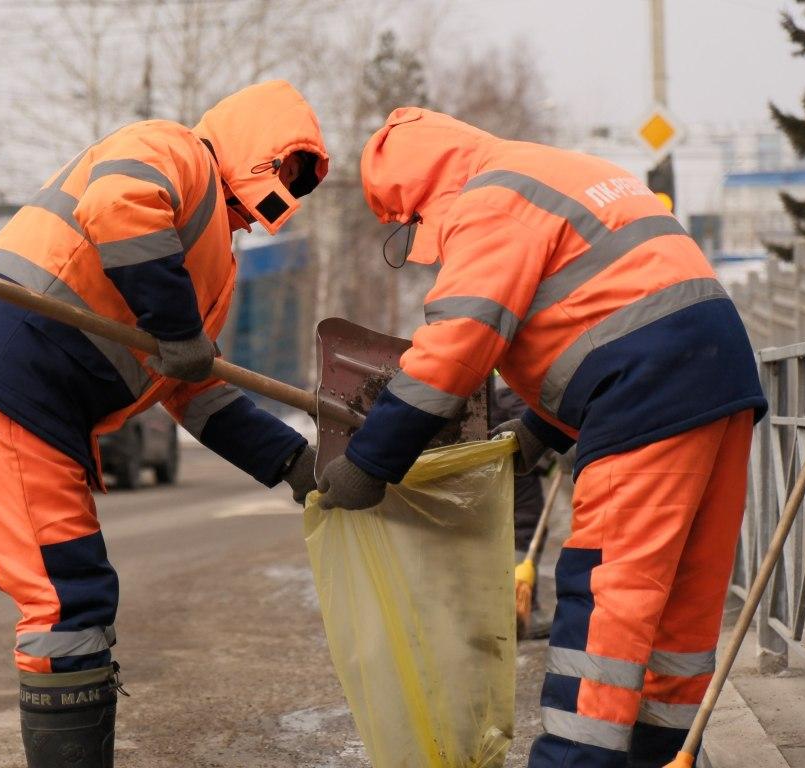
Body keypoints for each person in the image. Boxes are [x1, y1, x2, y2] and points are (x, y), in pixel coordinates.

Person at [317, 107, 766, 768]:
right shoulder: (558, 170)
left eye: (408, 227)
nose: (418, 240)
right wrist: (538, 429)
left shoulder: (487, 199)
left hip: (648, 392)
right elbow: (600, 308)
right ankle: (665, 753)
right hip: (718, 380)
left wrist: (369, 461)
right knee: (680, 608)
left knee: (608, 597)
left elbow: (456, 348)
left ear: (419, 198)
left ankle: (574, 760)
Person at [0, 80, 328, 768]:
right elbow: (118, 204)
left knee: (79, 596)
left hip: (39, 404)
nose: (281, 195)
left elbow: (193, 389)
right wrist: (176, 325)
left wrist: (295, 463)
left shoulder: (213, 259)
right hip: (10, 383)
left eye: (296, 183)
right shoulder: (174, 151)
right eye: (285, 170)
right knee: (62, 602)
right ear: (259, 149)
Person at [490, 373, 555, 640]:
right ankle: (519, 610)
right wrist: (547, 444)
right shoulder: (507, 362)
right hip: (512, 451)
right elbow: (517, 399)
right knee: (525, 525)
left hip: (487, 446)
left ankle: (499, 609)